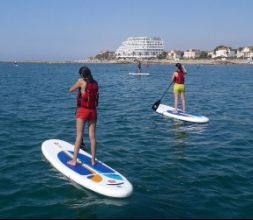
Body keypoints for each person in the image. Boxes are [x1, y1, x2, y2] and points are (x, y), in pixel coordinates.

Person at [68, 66, 99, 166]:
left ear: (82, 75)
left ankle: (74, 160)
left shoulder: (81, 82)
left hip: (83, 111)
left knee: (79, 136)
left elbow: (70, 90)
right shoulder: (95, 83)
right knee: (92, 137)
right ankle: (93, 160)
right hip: (93, 111)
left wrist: (78, 81)